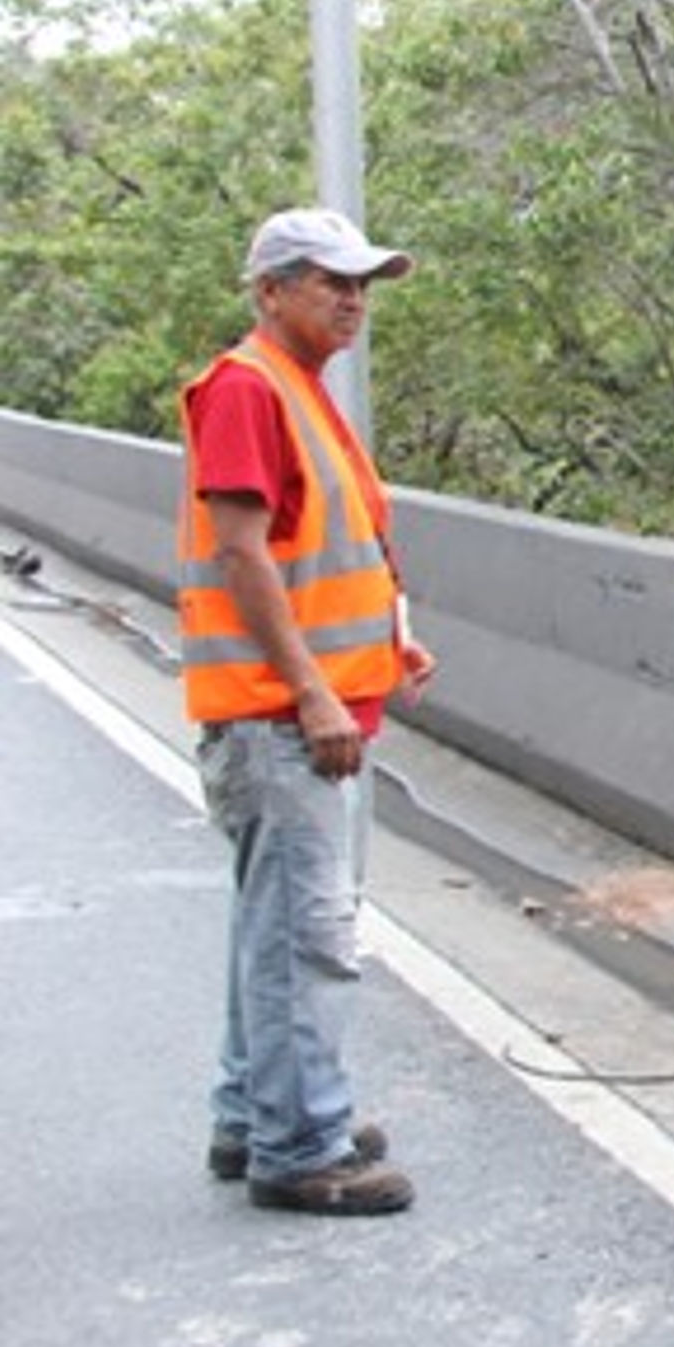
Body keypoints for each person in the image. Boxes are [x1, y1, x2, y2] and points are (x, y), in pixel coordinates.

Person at [181, 208, 438, 1218]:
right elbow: (242, 553)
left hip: (294, 708)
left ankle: (256, 1113)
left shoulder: (297, 391)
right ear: (269, 291)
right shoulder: (250, 387)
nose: (351, 298)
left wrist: (382, 645)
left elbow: (315, 549)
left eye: (360, 283)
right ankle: (300, 1143)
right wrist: (314, 688)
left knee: (272, 923)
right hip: (278, 717)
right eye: (329, 280)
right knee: (306, 933)